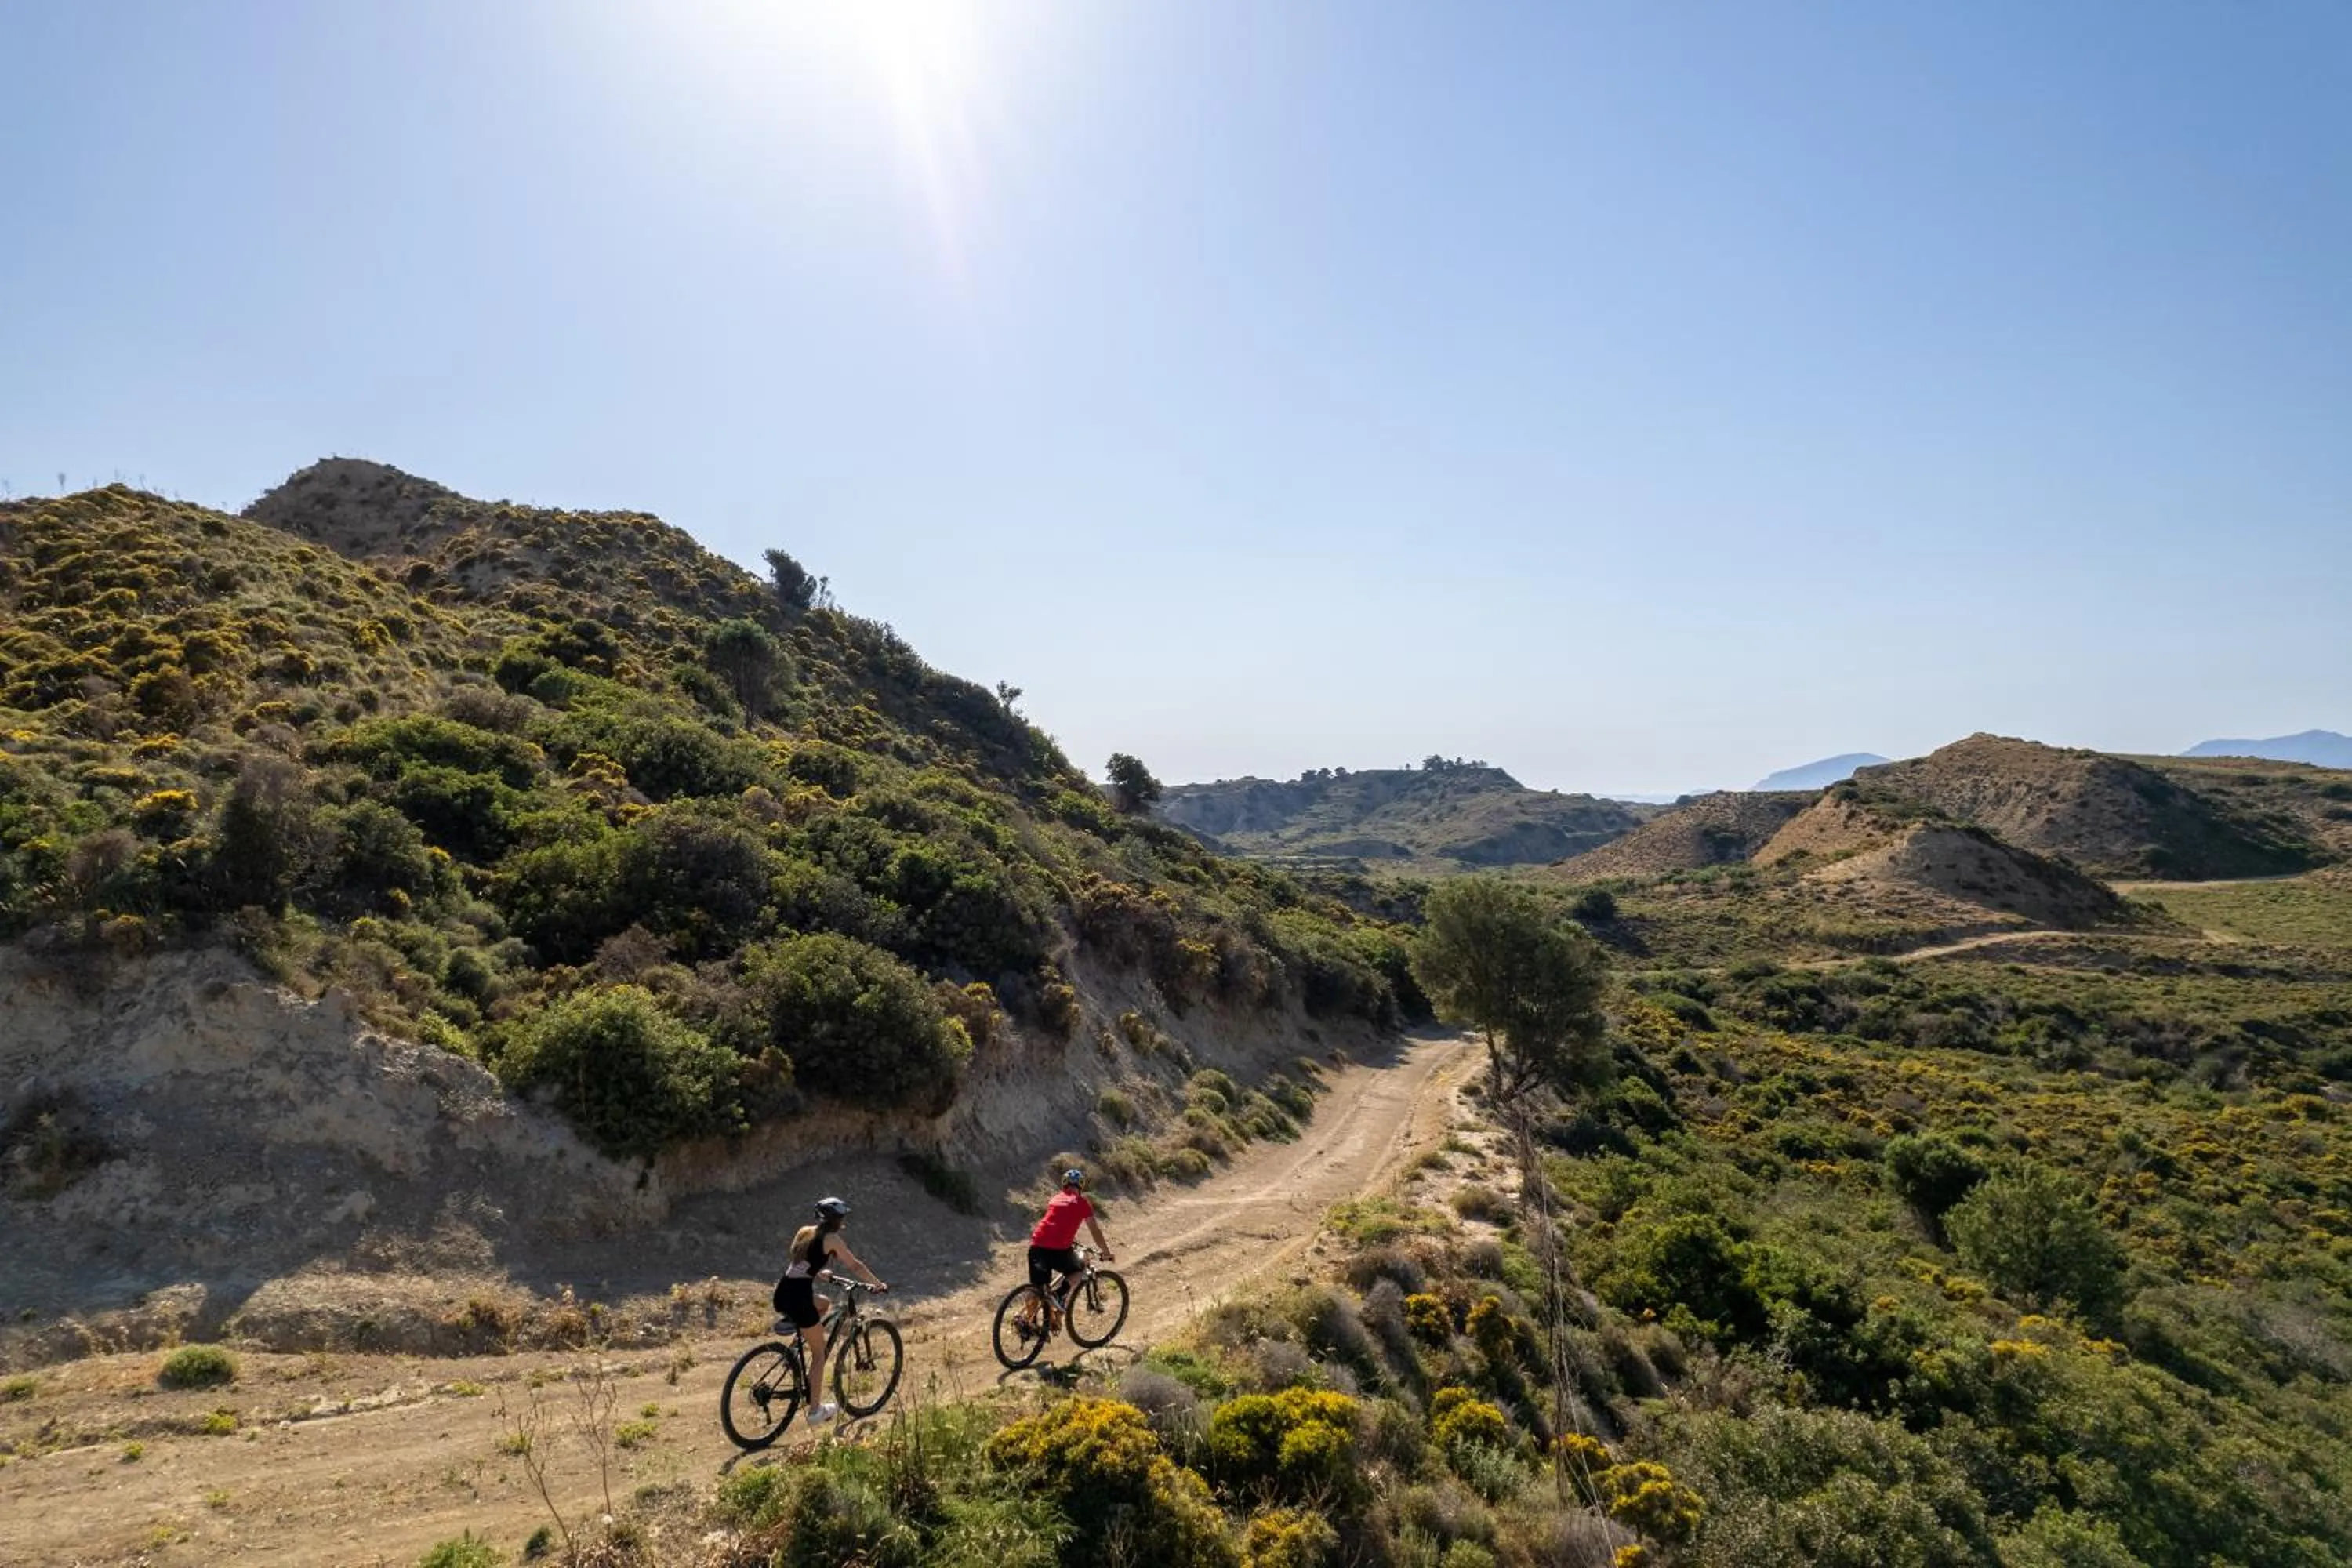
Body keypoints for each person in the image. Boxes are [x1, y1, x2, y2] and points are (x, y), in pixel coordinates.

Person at [773, 1195, 887, 1426]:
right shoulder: (832, 1239)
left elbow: (798, 1264)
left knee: (824, 1303)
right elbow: (855, 1265)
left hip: (783, 1293)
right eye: (842, 1217)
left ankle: (795, 1348)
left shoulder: (805, 1232)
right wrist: (877, 1284)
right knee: (820, 1354)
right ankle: (815, 1411)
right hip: (800, 1299)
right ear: (836, 1219)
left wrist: (817, 1273)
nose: (843, 1220)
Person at [1025, 1167, 1112, 1325]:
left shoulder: (1055, 1199)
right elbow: (1095, 1230)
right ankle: (1060, 1294)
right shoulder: (1082, 1203)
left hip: (1037, 1245)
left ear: (1064, 1185)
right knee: (1078, 1270)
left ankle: (1028, 1325)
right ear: (1081, 1186)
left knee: (1037, 1289)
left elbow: (1056, 1222)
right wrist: (1106, 1252)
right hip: (1058, 1250)